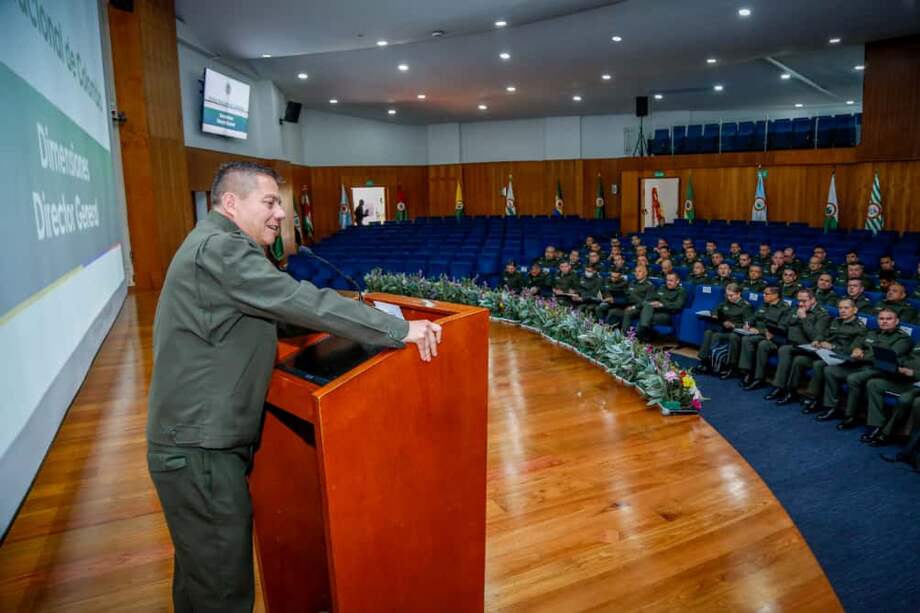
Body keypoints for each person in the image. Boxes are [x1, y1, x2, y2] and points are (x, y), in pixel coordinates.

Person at [146, 162, 442, 613]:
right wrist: (396, 330)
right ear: (231, 203)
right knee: (221, 590)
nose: (280, 214)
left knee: (203, 577)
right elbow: (296, 299)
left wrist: (351, 322)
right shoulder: (222, 250)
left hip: (197, 441)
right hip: (199, 447)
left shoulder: (214, 247)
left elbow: (280, 313)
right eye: (268, 202)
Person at [819, 308, 913, 429]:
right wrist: (856, 349)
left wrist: (864, 355)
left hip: (880, 369)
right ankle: (831, 407)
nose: (884, 321)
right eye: (881, 319)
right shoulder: (872, 332)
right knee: (830, 370)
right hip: (859, 364)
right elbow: (858, 344)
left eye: (888, 319)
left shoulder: (903, 339)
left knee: (854, 378)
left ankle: (851, 415)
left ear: (896, 321)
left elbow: (887, 356)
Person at [763, 288, 831, 405]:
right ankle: (789, 390)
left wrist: (804, 318)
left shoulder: (822, 315)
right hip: (790, 342)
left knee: (785, 350)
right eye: (798, 301)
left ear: (813, 300)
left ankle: (780, 387)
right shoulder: (795, 309)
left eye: (804, 301)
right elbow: (784, 326)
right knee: (777, 347)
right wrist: (773, 331)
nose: (800, 304)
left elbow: (816, 337)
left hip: (808, 347)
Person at [800, 298, 868, 414]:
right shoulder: (836, 321)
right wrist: (818, 340)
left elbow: (852, 350)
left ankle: (829, 405)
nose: (842, 311)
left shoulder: (860, 328)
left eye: (846, 308)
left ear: (855, 310)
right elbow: (825, 334)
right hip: (830, 355)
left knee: (824, 367)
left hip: (845, 359)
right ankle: (815, 398)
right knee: (817, 364)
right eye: (840, 308)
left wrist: (833, 347)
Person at [863, 343, 920, 446]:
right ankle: (876, 425)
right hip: (903, 379)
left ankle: (886, 433)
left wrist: (914, 373)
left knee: (904, 399)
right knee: (874, 384)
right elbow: (908, 357)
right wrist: (897, 365)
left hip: (917, 385)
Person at [737, 286, 791, 387]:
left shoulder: (784, 309)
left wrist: (759, 331)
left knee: (762, 344)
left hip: (773, 338)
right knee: (745, 339)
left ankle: (759, 378)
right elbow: (753, 317)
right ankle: (747, 372)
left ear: (775, 295)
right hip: (758, 333)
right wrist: (748, 324)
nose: (764, 296)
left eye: (766, 294)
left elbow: (780, 329)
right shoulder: (764, 305)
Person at [695, 283, 752, 375]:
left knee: (716, 335)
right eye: (727, 295)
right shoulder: (726, 301)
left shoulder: (746, 307)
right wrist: (714, 314)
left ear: (738, 294)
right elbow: (716, 309)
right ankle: (704, 360)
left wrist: (733, 325)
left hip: (735, 332)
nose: (729, 297)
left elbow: (747, 325)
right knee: (708, 332)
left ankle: (716, 363)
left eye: (731, 295)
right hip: (723, 328)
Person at [624, 272, 686, 340]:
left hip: (667, 314)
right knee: (641, 308)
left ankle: (638, 340)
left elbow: (678, 306)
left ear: (677, 281)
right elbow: (651, 298)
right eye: (667, 280)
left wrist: (662, 305)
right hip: (655, 310)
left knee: (644, 318)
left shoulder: (681, 291)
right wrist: (635, 307)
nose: (668, 282)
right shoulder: (662, 287)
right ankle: (627, 336)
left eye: (671, 281)